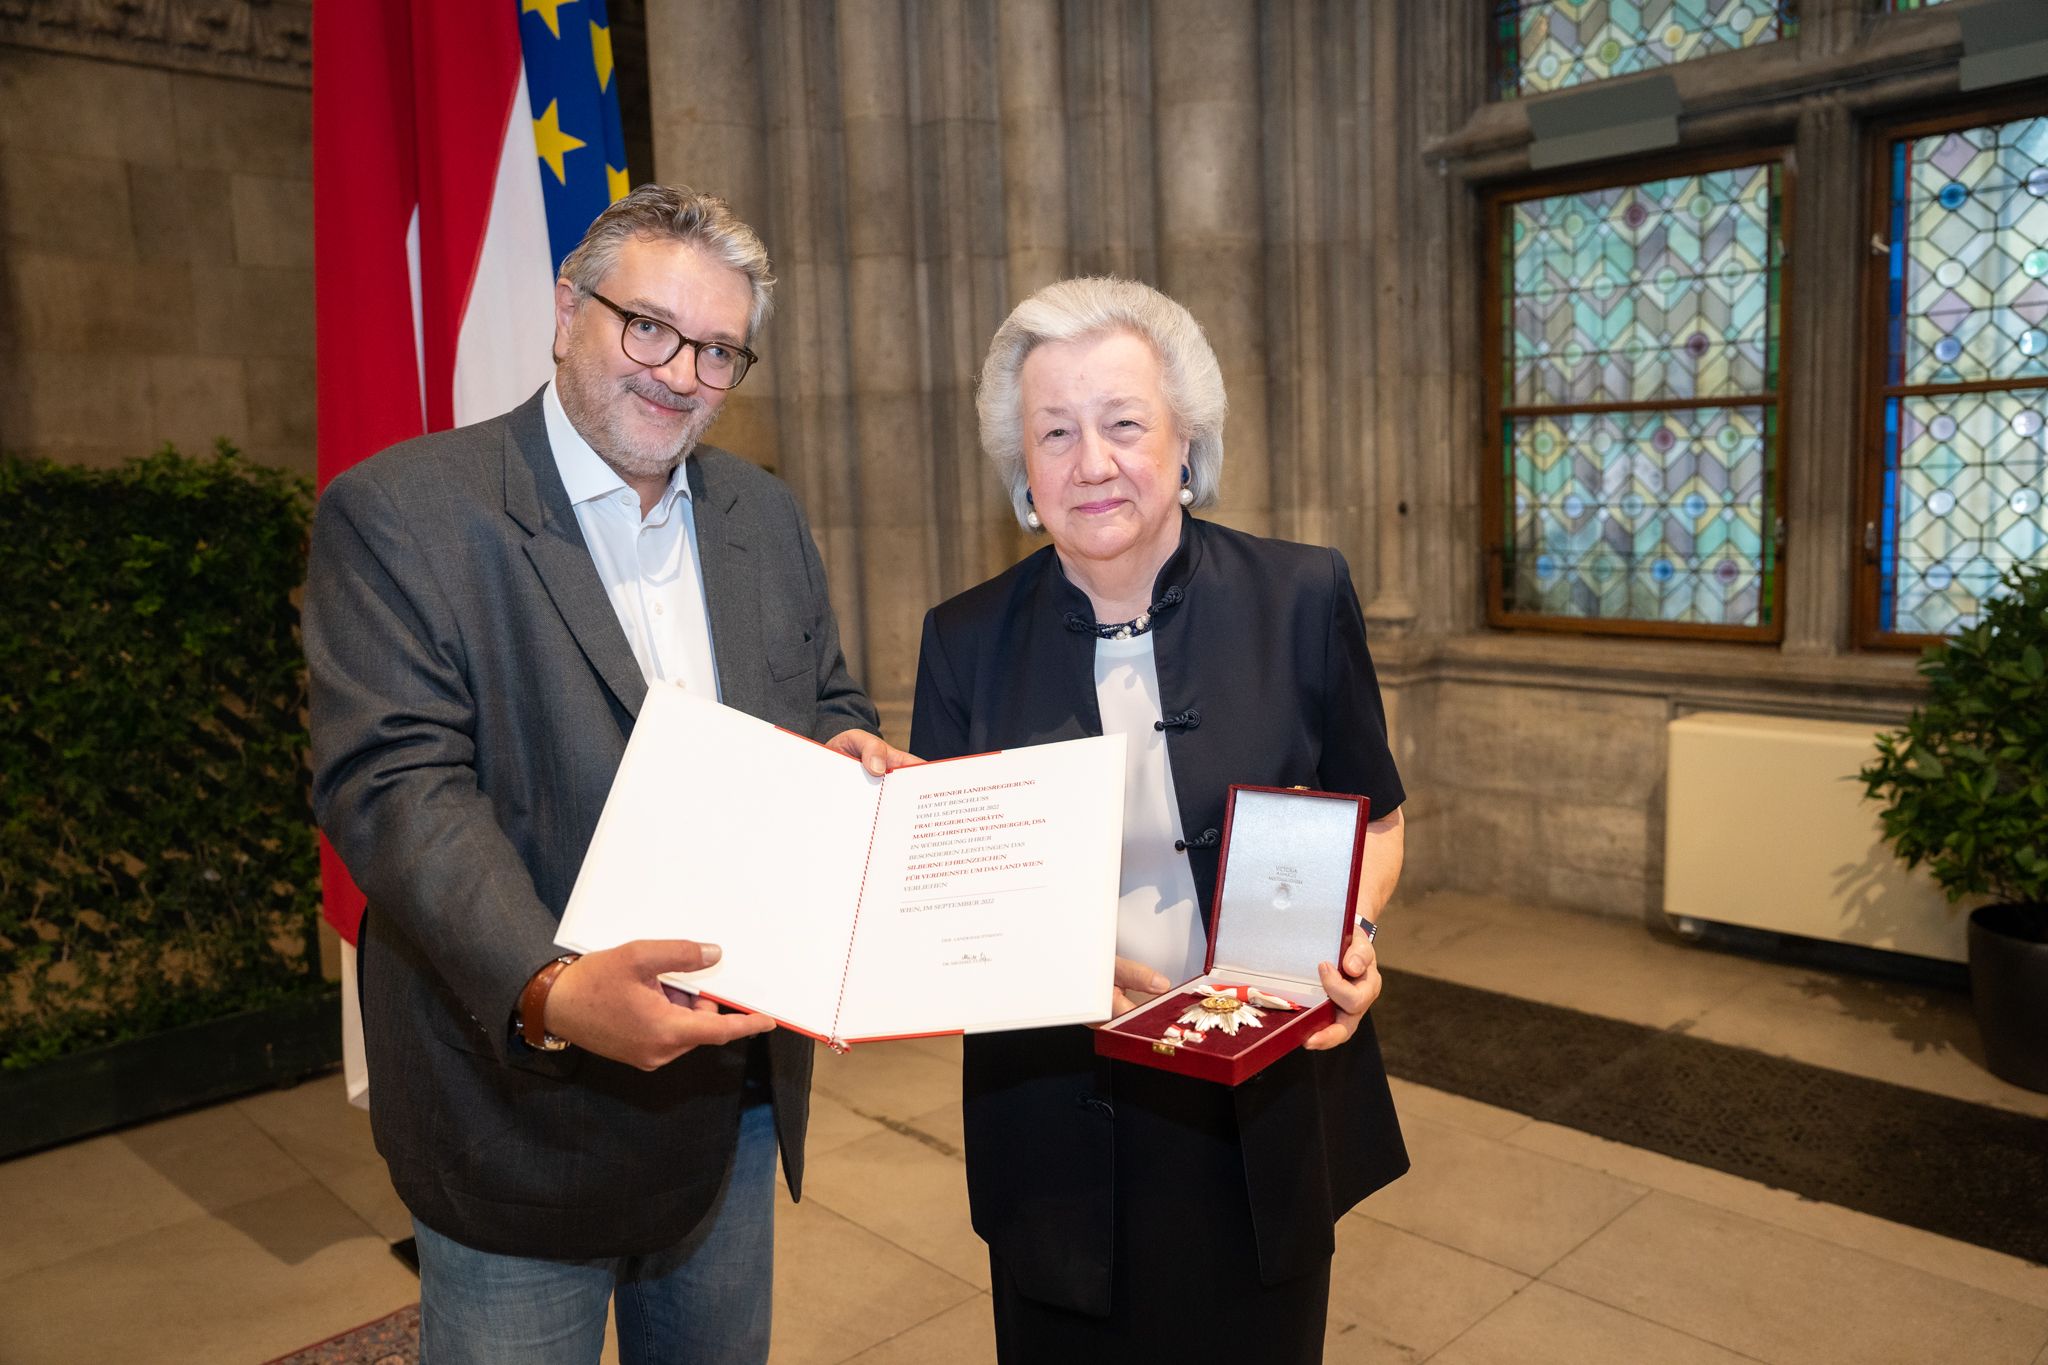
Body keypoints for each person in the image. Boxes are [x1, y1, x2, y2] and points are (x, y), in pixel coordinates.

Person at [305, 185, 910, 1365]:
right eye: (649, 328)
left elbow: (827, 695)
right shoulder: (405, 516)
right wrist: (548, 985)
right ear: (566, 311)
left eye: (718, 350)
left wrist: (850, 754)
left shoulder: (761, 516)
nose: (680, 373)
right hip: (514, 1113)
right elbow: (395, 787)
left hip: (728, 1096)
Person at [911, 277, 1409, 1358]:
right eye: (1054, 433)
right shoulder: (962, 641)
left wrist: (1354, 937)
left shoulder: (1300, 598)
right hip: (1053, 1111)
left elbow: (1373, 821)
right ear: (1023, 474)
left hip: (1263, 1096)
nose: (1090, 461)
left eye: (1122, 423)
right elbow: (949, 908)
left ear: (1186, 443)